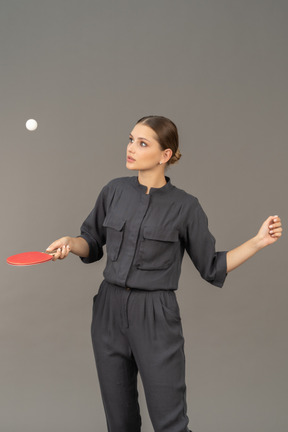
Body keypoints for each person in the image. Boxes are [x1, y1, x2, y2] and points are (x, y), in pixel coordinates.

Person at [47, 115, 282, 432]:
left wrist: (258, 242)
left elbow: (211, 266)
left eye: (142, 143)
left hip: (155, 314)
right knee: (120, 421)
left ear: (165, 155)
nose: (131, 148)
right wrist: (70, 244)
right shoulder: (113, 191)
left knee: (170, 422)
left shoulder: (186, 207)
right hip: (108, 309)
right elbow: (91, 241)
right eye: (131, 139)